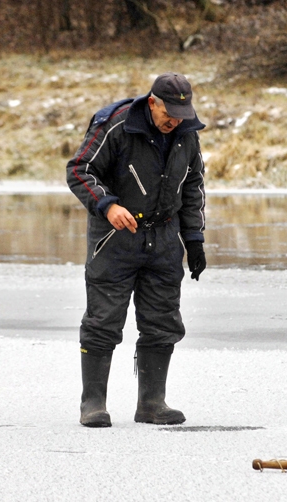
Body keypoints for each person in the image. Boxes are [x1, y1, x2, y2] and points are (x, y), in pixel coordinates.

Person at [66, 72, 206, 428]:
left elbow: (192, 187)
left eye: (181, 112)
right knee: (102, 322)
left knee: (162, 322)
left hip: (163, 241)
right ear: (153, 102)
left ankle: (151, 404)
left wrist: (194, 240)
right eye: (168, 112)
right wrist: (108, 205)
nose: (173, 120)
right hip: (115, 240)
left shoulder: (186, 134)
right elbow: (80, 170)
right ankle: (93, 404)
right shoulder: (115, 125)